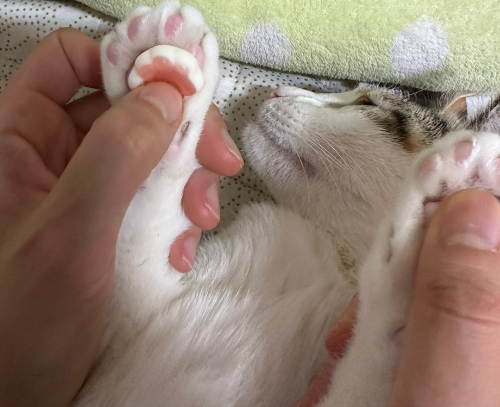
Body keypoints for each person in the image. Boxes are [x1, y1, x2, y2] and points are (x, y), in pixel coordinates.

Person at [1, 29, 500, 407]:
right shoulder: (278, 236)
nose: (284, 93)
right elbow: (131, 333)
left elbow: (126, 336)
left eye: (363, 104)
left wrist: (158, 164)